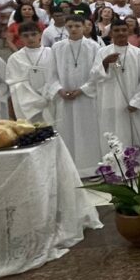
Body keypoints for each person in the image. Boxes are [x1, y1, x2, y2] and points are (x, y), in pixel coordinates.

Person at [90, 17, 140, 154]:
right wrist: (105, 63)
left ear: (129, 31)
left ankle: (137, 167)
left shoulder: (139, 53)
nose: (121, 33)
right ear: (111, 33)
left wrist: (136, 101)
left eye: (124, 30)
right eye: (117, 30)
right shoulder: (102, 52)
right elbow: (94, 76)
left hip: (133, 104)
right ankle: (115, 166)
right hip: (110, 101)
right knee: (113, 132)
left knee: (136, 135)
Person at [50, 17, 102, 176]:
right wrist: (59, 89)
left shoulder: (94, 46)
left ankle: (91, 169)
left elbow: (98, 73)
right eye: (70, 26)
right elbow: (51, 73)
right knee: (67, 132)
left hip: (86, 98)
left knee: (88, 132)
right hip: (64, 98)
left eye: (77, 26)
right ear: (65, 27)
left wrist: (82, 90)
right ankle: (69, 171)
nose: (73, 29)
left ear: (84, 27)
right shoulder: (57, 47)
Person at [6, 22, 57, 122]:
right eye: (25, 36)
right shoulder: (15, 58)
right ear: (20, 37)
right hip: (27, 103)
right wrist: (36, 99)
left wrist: (46, 94)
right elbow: (15, 84)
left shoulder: (51, 53)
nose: (30, 38)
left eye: (33, 34)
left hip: (50, 98)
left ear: (40, 34)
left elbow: (56, 77)